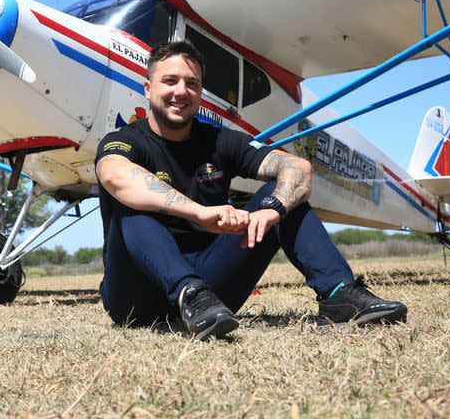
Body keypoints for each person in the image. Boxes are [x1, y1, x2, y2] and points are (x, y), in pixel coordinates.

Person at [94, 40, 407, 340]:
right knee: (131, 205)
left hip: (211, 293)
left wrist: (275, 207)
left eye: (192, 83)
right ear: (148, 89)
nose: (181, 91)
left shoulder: (220, 140)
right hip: (135, 297)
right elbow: (116, 176)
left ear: (200, 92)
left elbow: (298, 168)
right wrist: (199, 212)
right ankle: (187, 291)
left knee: (282, 192)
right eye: (170, 81)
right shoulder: (124, 141)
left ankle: (339, 294)